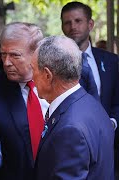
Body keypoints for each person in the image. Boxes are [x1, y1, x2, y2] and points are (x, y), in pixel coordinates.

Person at [33, 35, 114, 179]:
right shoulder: (91, 102)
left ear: (47, 75)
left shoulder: (70, 129)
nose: (32, 78)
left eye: (34, 70)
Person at [0, 22, 49, 180]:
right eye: (3, 54)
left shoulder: (56, 79)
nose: (6, 62)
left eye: (15, 55)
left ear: (36, 53)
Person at [61, 1, 119, 175]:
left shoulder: (111, 61)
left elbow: (117, 101)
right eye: (67, 22)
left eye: (78, 21)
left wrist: (111, 123)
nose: (73, 27)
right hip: (70, 145)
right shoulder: (55, 62)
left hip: (110, 145)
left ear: (90, 24)